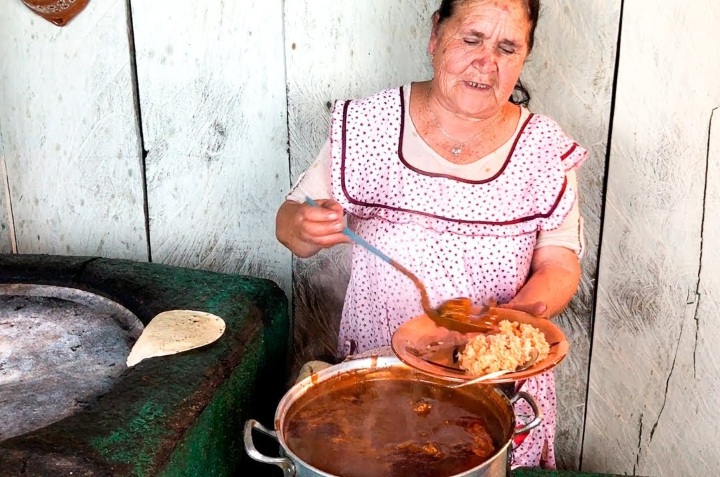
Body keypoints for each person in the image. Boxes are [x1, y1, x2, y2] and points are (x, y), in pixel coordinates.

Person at [276, 0, 586, 469]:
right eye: (471, 39)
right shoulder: (369, 125)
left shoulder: (543, 150)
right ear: (436, 33)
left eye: (507, 47)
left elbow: (560, 264)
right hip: (381, 380)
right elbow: (290, 223)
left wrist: (500, 330)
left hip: (496, 385)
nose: (487, 63)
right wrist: (304, 228)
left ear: (524, 56)